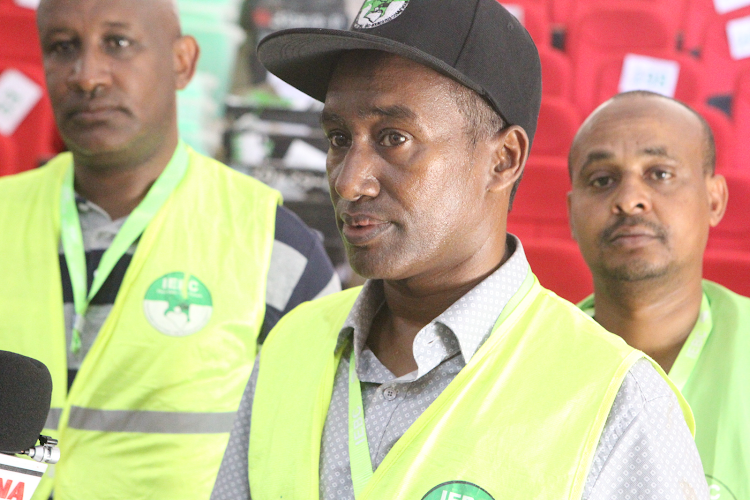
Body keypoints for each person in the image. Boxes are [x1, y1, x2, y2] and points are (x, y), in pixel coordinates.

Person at [210, 1, 709, 499]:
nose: (349, 181)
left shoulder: (617, 401)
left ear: (502, 160)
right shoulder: (290, 346)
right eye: (339, 137)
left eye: (394, 138)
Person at [0, 0, 340, 498]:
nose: (86, 75)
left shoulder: (275, 245)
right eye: (62, 47)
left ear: (182, 62)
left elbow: (311, 462)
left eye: (118, 43)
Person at [569, 91, 748, 500]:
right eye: (602, 180)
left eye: (660, 174)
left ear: (715, 200)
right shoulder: (527, 366)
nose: (630, 200)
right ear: (571, 214)